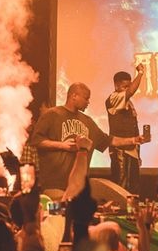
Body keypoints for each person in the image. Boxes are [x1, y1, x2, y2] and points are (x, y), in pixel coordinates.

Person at [30, 83, 146, 193]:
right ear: (74, 96)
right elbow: (36, 141)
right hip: (55, 186)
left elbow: (110, 140)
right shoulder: (52, 115)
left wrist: (134, 140)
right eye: (86, 98)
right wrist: (62, 145)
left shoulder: (88, 122)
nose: (88, 102)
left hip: (79, 188)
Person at [105, 64, 146, 192]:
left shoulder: (128, 103)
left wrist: (138, 151)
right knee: (121, 185)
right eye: (125, 86)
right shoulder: (113, 98)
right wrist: (140, 73)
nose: (127, 89)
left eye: (129, 86)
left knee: (134, 186)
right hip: (120, 150)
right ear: (116, 86)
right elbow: (131, 92)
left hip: (132, 150)